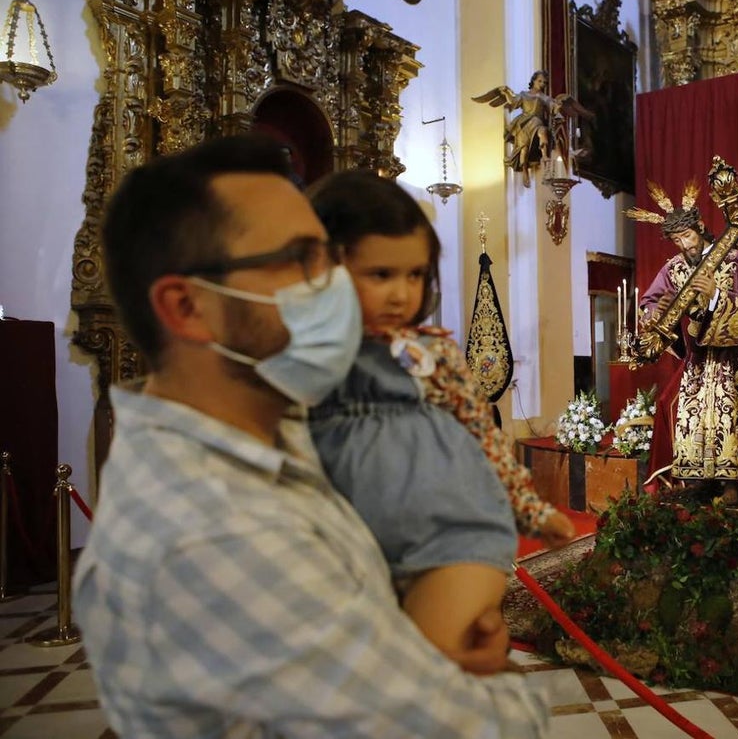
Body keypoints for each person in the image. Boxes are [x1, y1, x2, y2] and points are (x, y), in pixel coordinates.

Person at [72, 134, 549, 738]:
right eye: (300, 260)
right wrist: (487, 678)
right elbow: (468, 730)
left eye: (331, 255)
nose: (337, 287)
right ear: (188, 306)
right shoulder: (211, 531)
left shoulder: (280, 430)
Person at [305, 170, 576, 658]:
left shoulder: (433, 355)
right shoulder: (310, 354)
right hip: (338, 541)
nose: (401, 294)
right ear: (323, 266)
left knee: (436, 657)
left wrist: (531, 511)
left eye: (414, 275)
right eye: (380, 275)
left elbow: (483, 438)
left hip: (443, 533)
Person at [629, 181, 738, 500]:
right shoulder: (673, 268)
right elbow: (650, 301)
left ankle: (732, 483)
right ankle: (704, 478)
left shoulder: (733, 259)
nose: (684, 245)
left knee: (734, 417)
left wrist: (716, 296)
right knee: (699, 418)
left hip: (735, 360)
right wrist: (654, 312)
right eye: (676, 240)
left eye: (687, 236)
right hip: (700, 361)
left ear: (700, 228)